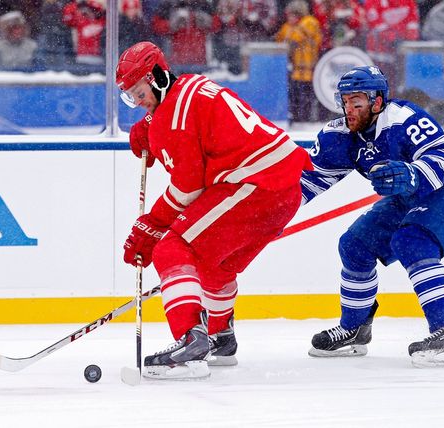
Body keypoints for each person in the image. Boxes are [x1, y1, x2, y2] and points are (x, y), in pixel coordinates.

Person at [116, 41, 312, 379]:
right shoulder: (192, 85)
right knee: (213, 264)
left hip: (255, 187)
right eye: (131, 97)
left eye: (139, 92)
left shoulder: (171, 121)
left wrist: (151, 225)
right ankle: (220, 337)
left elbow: (188, 189)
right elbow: (194, 127)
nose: (137, 102)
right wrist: (151, 121)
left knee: (171, 247)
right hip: (283, 191)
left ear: (159, 77)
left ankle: (190, 340)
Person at [301, 65, 444, 368]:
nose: (349, 108)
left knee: (411, 241)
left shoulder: (403, 119)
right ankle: (355, 329)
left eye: (356, 101)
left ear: (377, 101)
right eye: (345, 101)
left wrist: (413, 174)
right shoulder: (340, 135)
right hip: (409, 193)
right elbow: (309, 181)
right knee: (354, 245)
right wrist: (269, 211)